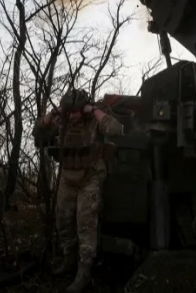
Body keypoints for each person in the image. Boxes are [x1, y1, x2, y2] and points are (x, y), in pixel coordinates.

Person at [33, 88, 124, 293]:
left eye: (76, 111)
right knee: (63, 219)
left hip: (90, 176)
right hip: (68, 177)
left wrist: (94, 111)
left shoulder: (94, 122)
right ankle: (69, 259)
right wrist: (53, 114)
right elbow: (38, 132)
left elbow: (116, 129)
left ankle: (84, 270)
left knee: (86, 223)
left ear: (83, 109)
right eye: (69, 111)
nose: (72, 116)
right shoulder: (62, 122)